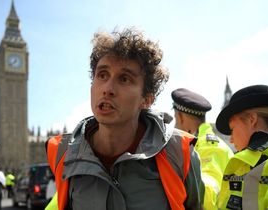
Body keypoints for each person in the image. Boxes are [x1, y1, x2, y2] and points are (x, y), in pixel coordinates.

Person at [45, 28, 204, 210]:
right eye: (102, 75)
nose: (107, 89)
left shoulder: (180, 154)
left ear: (147, 99)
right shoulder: (64, 155)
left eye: (124, 79)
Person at [171, 88, 234, 209]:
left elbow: (208, 192)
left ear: (180, 117)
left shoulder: (204, 146)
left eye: (175, 117)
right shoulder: (213, 144)